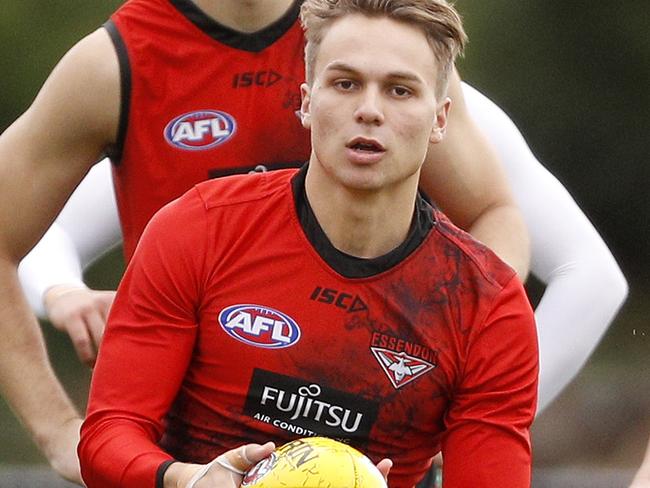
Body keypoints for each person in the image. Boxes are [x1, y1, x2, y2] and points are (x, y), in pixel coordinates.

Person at [0, 0, 532, 483]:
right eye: (345, 84)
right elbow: (108, 436)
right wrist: (181, 477)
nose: (370, 110)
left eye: (400, 90)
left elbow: (499, 218)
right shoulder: (194, 227)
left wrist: (446, 361)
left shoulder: (488, 304)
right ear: (304, 102)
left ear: (440, 119)